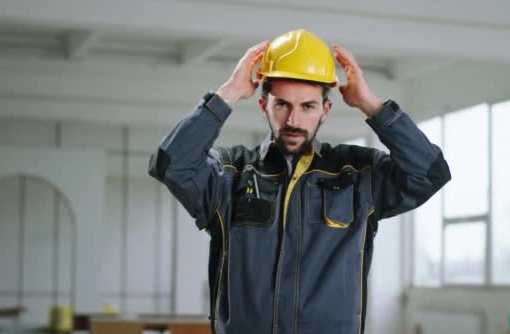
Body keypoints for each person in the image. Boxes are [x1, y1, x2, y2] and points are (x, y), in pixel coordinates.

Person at [149, 29, 450, 334]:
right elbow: (172, 165)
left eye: (308, 106)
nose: (294, 120)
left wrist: (371, 104)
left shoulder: (357, 176)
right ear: (264, 106)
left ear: (325, 110)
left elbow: (428, 173)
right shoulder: (230, 175)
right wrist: (229, 93)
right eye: (282, 105)